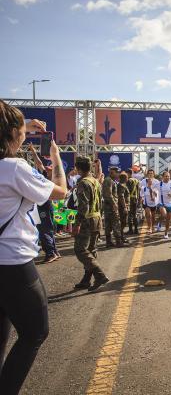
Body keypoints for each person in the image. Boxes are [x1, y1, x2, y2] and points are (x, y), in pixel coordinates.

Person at [0, 103, 67, 395]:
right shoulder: (15, 168)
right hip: (14, 264)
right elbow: (61, 193)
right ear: (14, 133)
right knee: (35, 332)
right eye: (22, 132)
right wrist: (56, 159)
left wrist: (25, 122)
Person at [72, 156, 109, 291]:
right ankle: (86, 280)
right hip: (97, 218)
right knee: (91, 250)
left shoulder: (83, 183)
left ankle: (99, 275)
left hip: (87, 220)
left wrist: (77, 224)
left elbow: (83, 206)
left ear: (78, 168)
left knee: (80, 249)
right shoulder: (95, 181)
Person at [28, 143, 60, 263]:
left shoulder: (53, 180)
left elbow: (40, 164)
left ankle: (50, 253)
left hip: (45, 206)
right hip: (45, 206)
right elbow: (39, 163)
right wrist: (33, 151)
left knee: (44, 229)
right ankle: (54, 251)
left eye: (50, 167)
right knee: (48, 229)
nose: (47, 168)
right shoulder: (45, 175)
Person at [102, 167, 127, 247]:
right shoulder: (108, 180)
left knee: (108, 224)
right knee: (116, 223)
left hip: (109, 206)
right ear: (113, 172)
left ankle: (109, 242)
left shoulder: (111, 180)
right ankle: (118, 242)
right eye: (117, 173)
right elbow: (108, 194)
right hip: (110, 206)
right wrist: (114, 204)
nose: (118, 175)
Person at [157, 170, 171, 239]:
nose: (167, 177)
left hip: (170, 203)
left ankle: (166, 233)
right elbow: (152, 189)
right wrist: (153, 194)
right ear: (162, 177)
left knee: (168, 219)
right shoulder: (159, 184)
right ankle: (160, 222)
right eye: (166, 176)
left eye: (168, 176)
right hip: (161, 203)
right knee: (164, 215)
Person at [125, 168, 140, 235]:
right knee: (135, 215)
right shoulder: (137, 180)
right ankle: (136, 229)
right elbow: (138, 191)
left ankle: (131, 230)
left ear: (128, 173)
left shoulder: (128, 181)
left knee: (129, 215)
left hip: (130, 199)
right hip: (136, 199)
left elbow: (127, 191)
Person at [117, 172, 130, 239]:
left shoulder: (123, 185)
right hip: (122, 207)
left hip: (124, 206)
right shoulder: (121, 186)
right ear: (125, 178)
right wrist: (125, 207)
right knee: (123, 222)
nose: (127, 178)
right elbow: (121, 197)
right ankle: (121, 237)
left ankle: (121, 236)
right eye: (127, 177)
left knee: (124, 222)